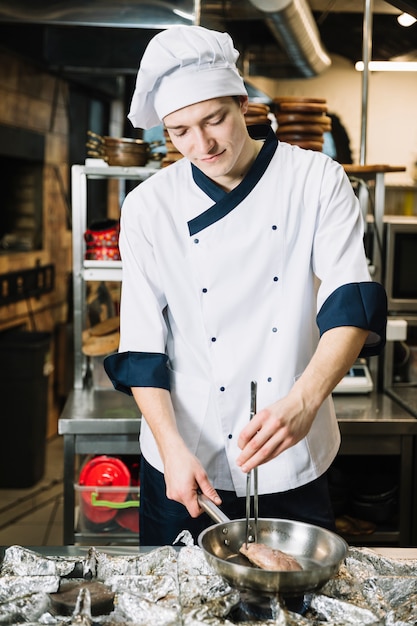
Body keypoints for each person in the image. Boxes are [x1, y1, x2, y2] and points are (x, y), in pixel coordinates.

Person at [104, 25, 387, 546]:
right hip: (184, 453)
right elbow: (141, 345)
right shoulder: (149, 206)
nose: (202, 144)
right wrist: (170, 448)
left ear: (242, 101)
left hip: (292, 448)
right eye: (179, 131)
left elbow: (349, 303)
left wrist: (304, 403)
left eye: (214, 120)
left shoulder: (316, 180)